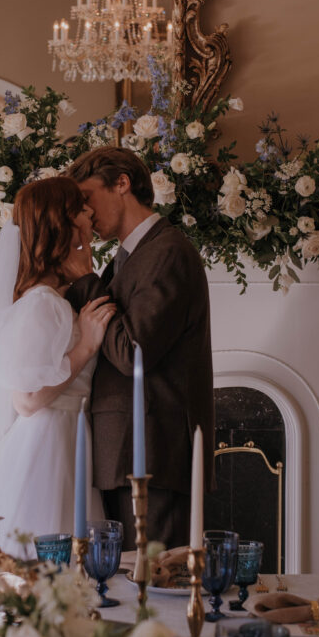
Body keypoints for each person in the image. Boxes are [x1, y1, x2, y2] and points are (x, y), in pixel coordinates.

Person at [0, 176, 114, 562]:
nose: (90, 212)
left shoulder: (52, 298)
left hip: (68, 438)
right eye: (80, 207)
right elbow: (27, 399)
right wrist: (87, 346)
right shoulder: (43, 303)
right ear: (60, 223)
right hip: (48, 445)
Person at [65, 147, 214, 551]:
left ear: (122, 184)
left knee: (154, 587)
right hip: (126, 452)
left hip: (152, 456)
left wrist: (86, 281)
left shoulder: (167, 252)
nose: (85, 213)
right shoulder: (129, 257)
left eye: (87, 197)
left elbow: (134, 353)